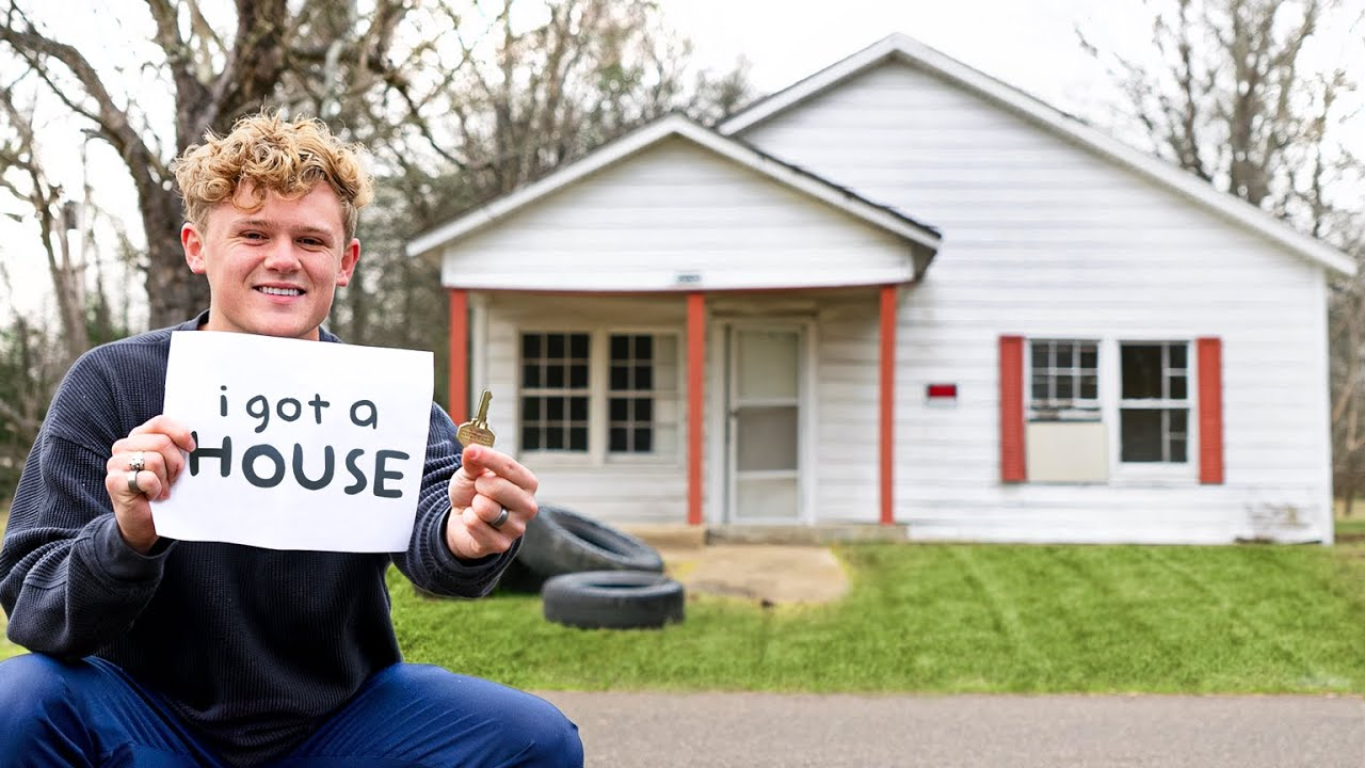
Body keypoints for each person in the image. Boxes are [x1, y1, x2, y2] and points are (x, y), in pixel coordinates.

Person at [0, 112, 583, 767]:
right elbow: (32, 607)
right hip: (148, 721)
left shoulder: (381, 394)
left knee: (537, 741)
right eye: (253, 233)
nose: (283, 259)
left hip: (339, 724)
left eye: (311, 240)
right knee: (16, 702)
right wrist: (128, 534)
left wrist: (466, 532)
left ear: (345, 262)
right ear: (197, 248)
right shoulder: (113, 382)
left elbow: (433, 526)